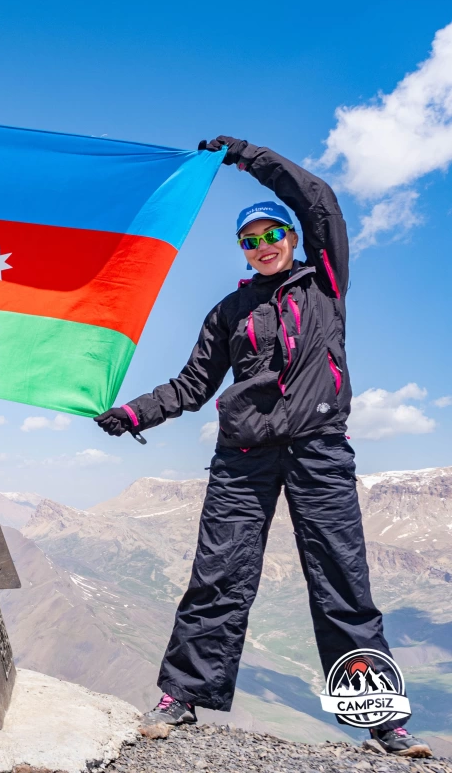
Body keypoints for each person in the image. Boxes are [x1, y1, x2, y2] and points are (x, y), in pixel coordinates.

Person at [94, 136, 431, 758]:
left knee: (342, 581)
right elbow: (193, 384)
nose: (265, 244)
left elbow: (321, 201)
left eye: (273, 232)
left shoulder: (325, 282)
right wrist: (134, 412)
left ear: (293, 237)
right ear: (242, 251)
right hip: (242, 457)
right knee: (217, 576)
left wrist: (249, 158)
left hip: (320, 449)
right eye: (250, 240)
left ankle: (382, 719)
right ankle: (181, 699)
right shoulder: (229, 311)